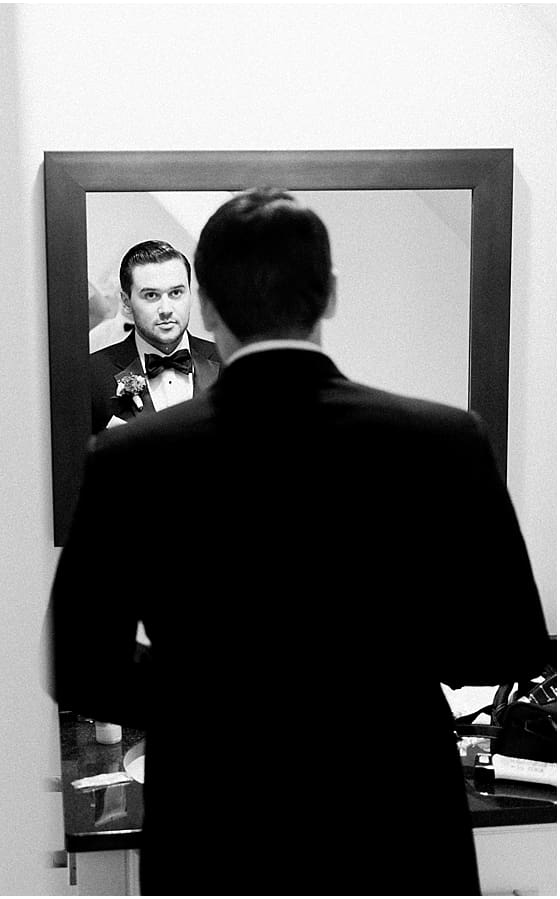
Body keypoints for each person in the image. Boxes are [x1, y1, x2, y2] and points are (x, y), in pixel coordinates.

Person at [51, 189, 551, 895]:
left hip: (216, 818)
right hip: (397, 813)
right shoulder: (442, 440)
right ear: (332, 295)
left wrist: (210, 690)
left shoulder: (132, 459)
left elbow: (78, 661)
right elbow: (513, 641)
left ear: (210, 304)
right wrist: (388, 658)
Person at [90, 240, 221, 432]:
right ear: (126, 302)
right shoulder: (92, 376)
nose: (166, 310)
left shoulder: (230, 364)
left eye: (176, 293)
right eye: (151, 295)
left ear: (191, 295)